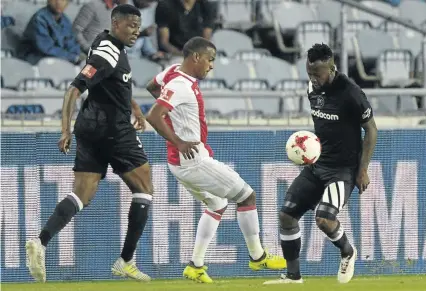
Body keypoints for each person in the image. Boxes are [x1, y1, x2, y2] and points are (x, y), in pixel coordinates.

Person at [25, 4, 153, 283]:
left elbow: (115, 83)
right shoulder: (107, 53)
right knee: (144, 188)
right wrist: (63, 130)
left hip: (90, 129)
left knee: (82, 195)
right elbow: (74, 88)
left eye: (138, 26)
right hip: (113, 131)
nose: (136, 32)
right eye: (130, 25)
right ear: (116, 24)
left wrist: (136, 108)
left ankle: (41, 241)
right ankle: (126, 261)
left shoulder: (104, 43)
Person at [145, 36, 286, 284]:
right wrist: (178, 139)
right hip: (192, 158)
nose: (212, 66)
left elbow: (151, 87)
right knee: (247, 196)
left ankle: (195, 265)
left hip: (179, 162)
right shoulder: (180, 86)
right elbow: (154, 116)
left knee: (217, 204)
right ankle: (258, 256)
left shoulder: (171, 73)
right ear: (196, 57)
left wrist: (174, 118)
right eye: (210, 60)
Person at [264, 43, 378, 285]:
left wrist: (363, 169)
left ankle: (348, 251)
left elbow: (371, 130)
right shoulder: (312, 88)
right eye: (309, 73)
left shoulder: (351, 93)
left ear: (332, 68)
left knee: (324, 219)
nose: (313, 79)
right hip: (316, 167)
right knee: (286, 215)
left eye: (317, 74)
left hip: (342, 170)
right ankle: (293, 276)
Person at [17, 0, 85, 65]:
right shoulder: (39, 18)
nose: (58, 2)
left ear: (68, 3)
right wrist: (73, 57)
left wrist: (78, 56)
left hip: (58, 58)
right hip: (34, 59)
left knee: (90, 68)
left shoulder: (65, 20)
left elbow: (71, 43)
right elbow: (46, 48)